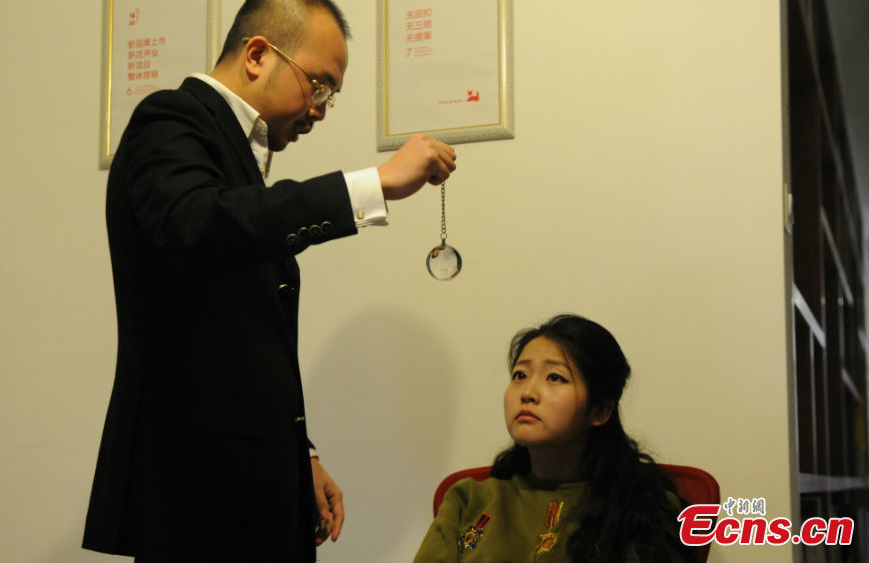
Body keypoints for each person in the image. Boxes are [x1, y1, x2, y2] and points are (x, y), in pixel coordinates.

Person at [82, 0, 456, 561]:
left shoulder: (234, 155)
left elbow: (240, 339)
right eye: (318, 85)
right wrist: (372, 185)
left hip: (246, 483)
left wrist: (299, 452)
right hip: (195, 493)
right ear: (257, 55)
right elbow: (197, 225)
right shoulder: (170, 117)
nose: (320, 110)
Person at [414, 314, 692, 562]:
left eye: (555, 378)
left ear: (600, 411)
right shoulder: (469, 500)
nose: (528, 392)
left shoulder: (644, 510)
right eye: (520, 375)